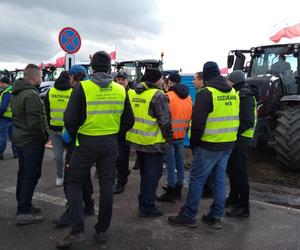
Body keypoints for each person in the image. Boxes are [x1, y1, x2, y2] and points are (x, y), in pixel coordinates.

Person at [56, 51, 134, 248]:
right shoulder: (120, 90)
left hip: (85, 143)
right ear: (109, 69)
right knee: (107, 186)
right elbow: (129, 121)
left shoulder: (83, 87)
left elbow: (70, 119)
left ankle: (77, 231)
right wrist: (114, 134)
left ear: (92, 67)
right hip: (109, 144)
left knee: (73, 182)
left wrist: (73, 138)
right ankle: (101, 231)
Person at [168, 61, 239, 229]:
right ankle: (215, 216)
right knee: (219, 180)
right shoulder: (233, 92)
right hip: (228, 144)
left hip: (208, 145)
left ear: (206, 76)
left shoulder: (206, 93)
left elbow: (198, 123)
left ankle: (189, 215)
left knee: (197, 180)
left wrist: (194, 144)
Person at [52, 65, 95, 228]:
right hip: (94, 142)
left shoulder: (78, 91)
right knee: (83, 176)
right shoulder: (93, 90)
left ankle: (71, 213)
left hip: (77, 144)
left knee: (71, 180)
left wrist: (65, 137)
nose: (69, 79)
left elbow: (71, 120)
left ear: (75, 77)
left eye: (70, 76)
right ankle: (89, 206)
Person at [126, 68, 172, 218]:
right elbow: (165, 121)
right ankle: (147, 206)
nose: (163, 81)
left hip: (138, 141)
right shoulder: (158, 95)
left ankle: (143, 201)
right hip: (153, 143)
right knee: (152, 176)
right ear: (156, 79)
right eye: (161, 78)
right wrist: (168, 138)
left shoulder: (132, 92)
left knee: (146, 175)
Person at [11, 64, 49, 225]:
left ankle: (23, 203)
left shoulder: (17, 93)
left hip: (20, 138)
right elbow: (35, 122)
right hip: (31, 141)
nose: (41, 79)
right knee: (31, 174)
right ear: (34, 77)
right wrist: (43, 137)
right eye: (40, 77)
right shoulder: (31, 95)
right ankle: (23, 211)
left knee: (24, 173)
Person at [225, 70, 258, 217]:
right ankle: (233, 198)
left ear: (233, 81)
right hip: (236, 139)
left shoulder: (245, 95)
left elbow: (246, 121)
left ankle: (244, 206)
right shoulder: (239, 93)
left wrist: (232, 133)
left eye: (228, 80)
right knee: (232, 170)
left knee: (240, 173)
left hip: (242, 140)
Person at [156, 72, 192, 202]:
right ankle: (178, 189)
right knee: (180, 163)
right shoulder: (188, 97)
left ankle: (170, 190)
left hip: (170, 136)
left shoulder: (167, 96)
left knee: (171, 164)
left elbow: (163, 118)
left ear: (169, 82)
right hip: (181, 135)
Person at [44, 71, 72, 186]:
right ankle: (70, 176)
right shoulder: (73, 91)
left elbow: (45, 111)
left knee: (58, 154)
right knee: (71, 154)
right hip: (69, 129)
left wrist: (48, 126)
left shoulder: (50, 92)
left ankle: (59, 177)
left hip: (54, 128)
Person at [113, 71, 131, 194]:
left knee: (122, 157)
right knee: (115, 157)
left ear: (127, 81)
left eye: (122, 79)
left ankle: (121, 181)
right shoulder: (113, 92)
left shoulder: (131, 93)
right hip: (113, 130)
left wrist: (124, 128)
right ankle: (120, 173)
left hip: (125, 132)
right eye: (118, 79)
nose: (120, 81)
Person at [0, 76, 17, 160]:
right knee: (14, 136)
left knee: (2, 136)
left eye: (1, 83)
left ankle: (0, 153)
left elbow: (3, 107)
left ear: (4, 83)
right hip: (14, 117)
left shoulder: (7, 92)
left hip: (5, 118)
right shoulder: (14, 90)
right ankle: (16, 153)